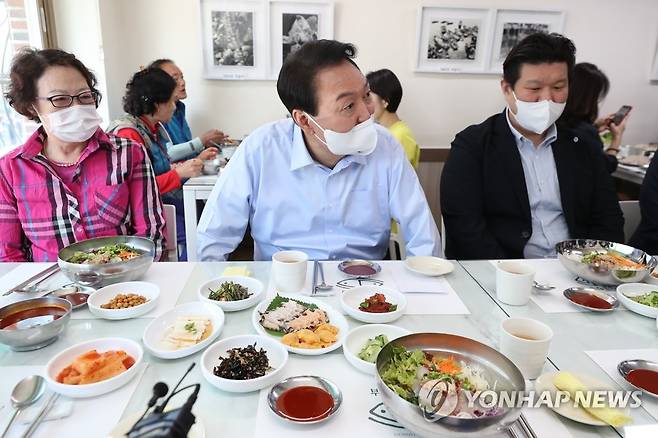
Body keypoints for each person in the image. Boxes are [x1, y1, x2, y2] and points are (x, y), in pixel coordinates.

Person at [197, 39, 440, 261]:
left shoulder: (385, 146)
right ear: (303, 120)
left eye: (366, 95)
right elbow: (213, 238)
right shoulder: (261, 149)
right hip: (283, 287)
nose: (367, 114)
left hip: (364, 287)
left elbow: (423, 236)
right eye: (348, 106)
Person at [441, 33, 624, 260]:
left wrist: (593, 266)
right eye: (534, 89)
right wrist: (511, 276)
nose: (548, 99)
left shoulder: (583, 146)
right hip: (503, 273)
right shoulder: (473, 146)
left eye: (558, 87)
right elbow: (464, 226)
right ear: (507, 89)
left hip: (575, 271)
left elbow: (608, 217)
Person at [0, 48, 166, 261]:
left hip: (122, 285)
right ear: (32, 106)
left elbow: (150, 236)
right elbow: (7, 255)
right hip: (49, 290)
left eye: (85, 96)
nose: (77, 107)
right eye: (60, 99)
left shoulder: (127, 153)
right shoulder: (10, 170)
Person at [107, 68, 214, 260]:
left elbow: (155, 170)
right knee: (200, 237)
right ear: (156, 104)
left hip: (162, 202)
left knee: (207, 219)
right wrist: (179, 174)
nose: (175, 106)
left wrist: (183, 167)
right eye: (172, 101)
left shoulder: (151, 128)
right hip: (145, 215)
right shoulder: (129, 135)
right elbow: (134, 192)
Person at [148, 59, 228, 161]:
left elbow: (187, 153)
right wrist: (201, 141)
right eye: (175, 79)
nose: (182, 82)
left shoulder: (179, 109)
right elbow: (166, 155)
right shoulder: (156, 113)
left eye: (182, 77)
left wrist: (207, 145)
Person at [562, 62, 629, 173]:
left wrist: (595, 127)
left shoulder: (556, 121)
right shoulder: (585, 132)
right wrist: (616, 138)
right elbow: (606, 168)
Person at [366, 69, 420, 168]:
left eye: (369, 97)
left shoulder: (402, 135)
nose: (366, 104)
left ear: (385, 101)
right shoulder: (380, 130)